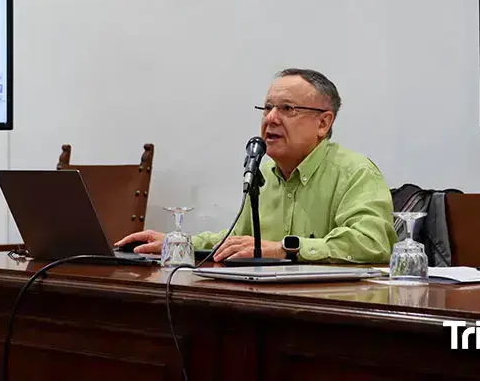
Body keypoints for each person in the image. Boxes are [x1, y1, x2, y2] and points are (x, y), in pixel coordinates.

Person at [115, 68, 398, 264]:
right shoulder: (263, 174)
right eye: (267, 108)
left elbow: (369, 243)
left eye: (287, 109)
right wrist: (178, 242)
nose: (271, 118)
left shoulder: (355, 173)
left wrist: (281, 249)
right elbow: (238, 240)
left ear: (323, 123)